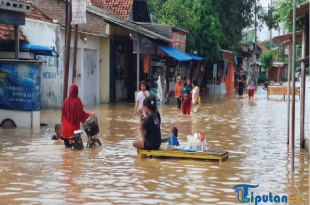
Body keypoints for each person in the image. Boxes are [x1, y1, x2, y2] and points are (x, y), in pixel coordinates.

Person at [61, 84, 95, 148]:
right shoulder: (77, 101)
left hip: (64, 132)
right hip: (73, 132)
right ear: (77, 91)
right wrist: (90, 114)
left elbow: (62, 115)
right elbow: (81, 114)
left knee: (67, 152)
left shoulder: (65, 101)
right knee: (76, 151)